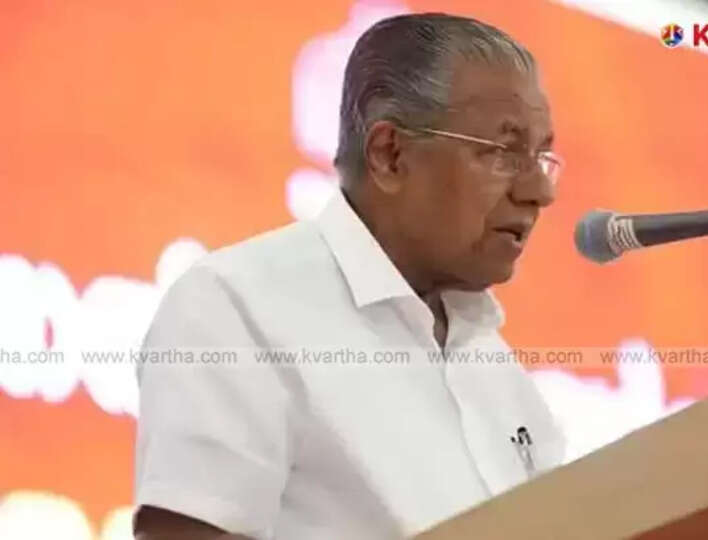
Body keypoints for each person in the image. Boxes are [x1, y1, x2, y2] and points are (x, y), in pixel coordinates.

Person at [133, 12, 566, 540]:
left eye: (542, 157)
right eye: (503, 154)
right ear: (390, 154)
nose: (540, 191)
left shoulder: (500, 374)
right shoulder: (235, 307)